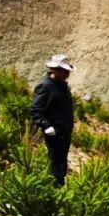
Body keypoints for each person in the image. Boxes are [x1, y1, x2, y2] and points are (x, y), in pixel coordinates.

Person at [31, 54, 75, 186]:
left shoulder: (62, 86)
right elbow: (36, 110)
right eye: (64, 71)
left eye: (67, 71)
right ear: (54, 70)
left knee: (61, 163)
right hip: (54, 133)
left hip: (64, 133)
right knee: (55, 163)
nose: (66, 74)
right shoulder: (45, 86)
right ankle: (53, 190)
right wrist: (46, 126)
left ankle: (59, 188)